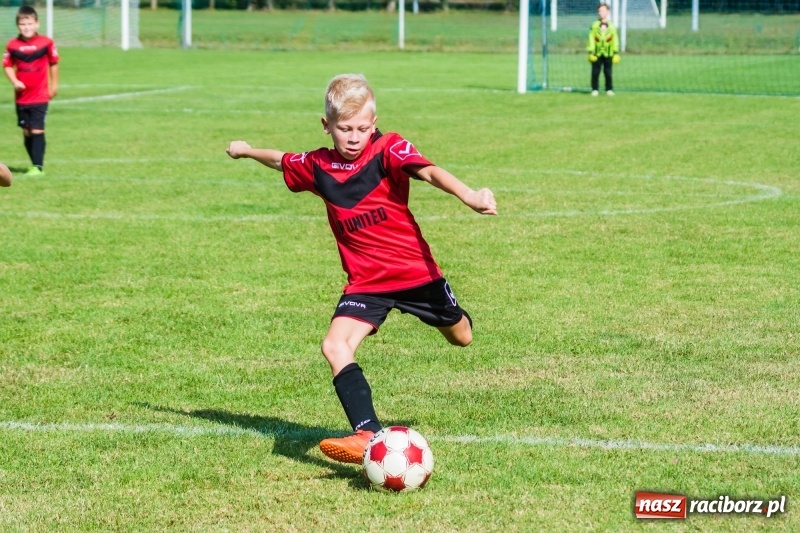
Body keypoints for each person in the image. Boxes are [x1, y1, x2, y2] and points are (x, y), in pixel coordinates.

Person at [226, 73, 497, 464]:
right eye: (344, 129)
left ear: (374, 123)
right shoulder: (318, 165)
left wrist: (469, 195)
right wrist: (247, 151)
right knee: (334, 345)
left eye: (362, 128)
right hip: (366, 283)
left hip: (416, 274)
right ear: (326, 125)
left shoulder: (389, 148)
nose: (354, 137)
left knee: (462, 337)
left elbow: (429, 171)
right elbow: (281, 159)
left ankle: (454, 313)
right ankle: (368, 432)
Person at [3, 6, 59, 176]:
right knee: (27, 131)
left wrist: (54, 85)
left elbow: (54, 62)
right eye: (23, 24)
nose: (26, 27)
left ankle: (38, 167)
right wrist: (15, 81)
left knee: (37, 130)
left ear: (37, 24)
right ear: (17, 25)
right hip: (21, 98)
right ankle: (34, 164)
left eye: (30, 23)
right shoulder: (12, 45)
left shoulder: (46, 42)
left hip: (40, 95)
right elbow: (6, 65)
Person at [587, 2, 620, 97]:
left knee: (608, 72)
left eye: (603, 10)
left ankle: (609, 89)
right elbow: (591, 38)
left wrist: (616, 52)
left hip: (608, 53)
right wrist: (591, 51)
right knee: (595, 72)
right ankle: (594, 89)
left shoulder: (612, 26)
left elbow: (615, 39)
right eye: (599, 11)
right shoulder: (594, 25)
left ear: (608, 12)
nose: (601, 12)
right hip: (596, 53)